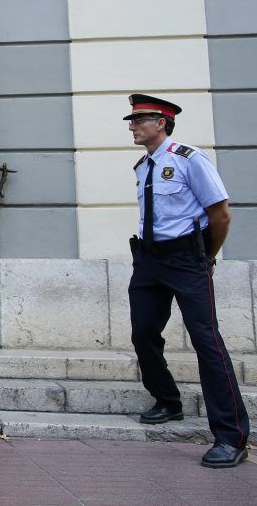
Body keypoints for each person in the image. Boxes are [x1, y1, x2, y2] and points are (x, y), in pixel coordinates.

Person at [123, 93, 250, 468]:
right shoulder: (142, 166)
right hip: (148, 258)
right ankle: (167, 400)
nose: (132, 126)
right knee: (143, 333)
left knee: (206, 340)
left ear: (160, 122)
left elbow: (220, 214)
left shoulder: (190, 159)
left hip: (185, 258)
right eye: (132, 120)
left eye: (138, 120)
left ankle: (231, 436)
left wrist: (206, 256)